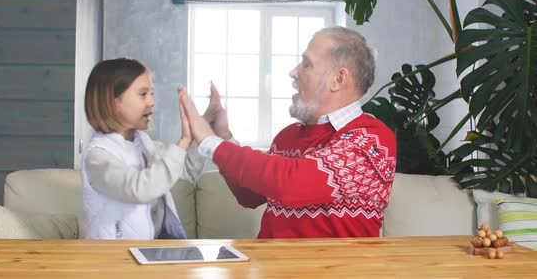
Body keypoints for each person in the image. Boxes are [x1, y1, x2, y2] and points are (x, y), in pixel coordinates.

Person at [179, 26, 397, 238]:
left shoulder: (372, 140)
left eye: (306, 64)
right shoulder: (288, 136)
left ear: (338, 80)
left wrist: (209, 141)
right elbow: (249, 196)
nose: (293, 72)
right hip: (269, 268)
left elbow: (291, 183)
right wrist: (222, 137)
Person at [81, 58, 206, 240]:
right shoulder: (98, 157)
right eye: (143, 94)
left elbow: (185, 168)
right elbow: (139, 189)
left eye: (151, 93)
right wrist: (184, 141)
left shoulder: (145, 145)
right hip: (113, 257)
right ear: (112, 102)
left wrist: (203, 129)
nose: (152, 102)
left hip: (149, 250)